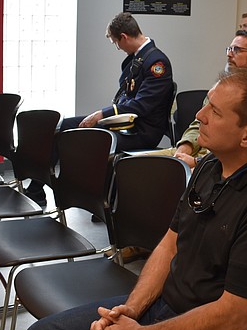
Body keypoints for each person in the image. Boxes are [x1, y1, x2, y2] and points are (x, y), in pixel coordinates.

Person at [23, 70, 247, 330]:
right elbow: (169, 244)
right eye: (206, 105)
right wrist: (131, 311)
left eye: (214, 111)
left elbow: (234, 317)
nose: (199, 115)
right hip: (166, 306)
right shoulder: (211, 166)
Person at [24, 12, 174, 205]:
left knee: (83, 136)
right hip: (124, 123)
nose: (117, 47)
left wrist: (103, 114)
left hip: (141, 131)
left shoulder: (156, 62)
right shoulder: (138, 57)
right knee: (62, 127)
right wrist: (104, 115)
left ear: (124, 37)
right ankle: (39, 188)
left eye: (115, 43)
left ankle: (84, 195)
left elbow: (141, 106)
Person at [173, 30, 247, 169]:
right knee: (134, 164)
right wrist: (185, 147)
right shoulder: (222, 86)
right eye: (229, 49)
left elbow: (241, 149)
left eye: (237, 50)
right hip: (195, 151)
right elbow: (198, 123)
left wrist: (197, 162)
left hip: (216, 163)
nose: (229, 54)